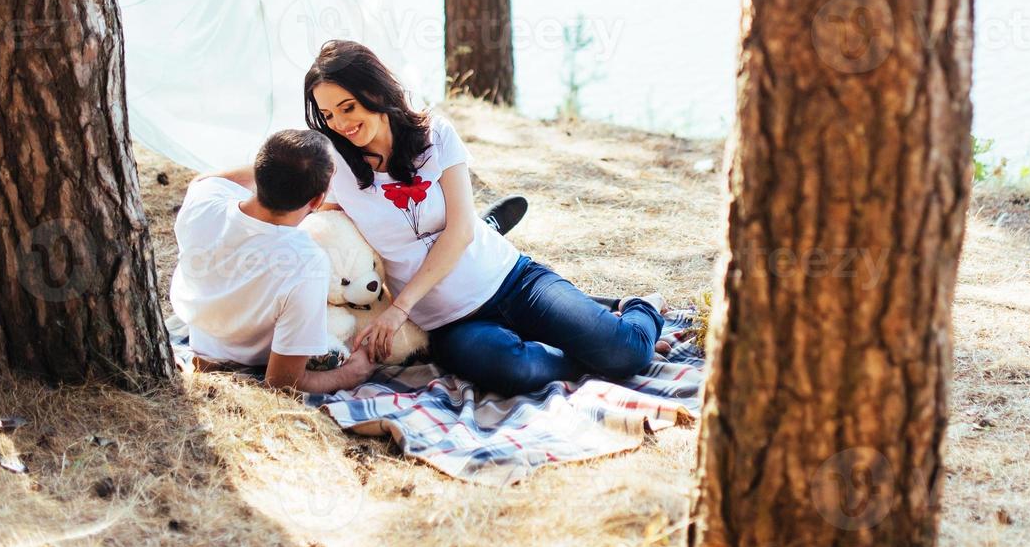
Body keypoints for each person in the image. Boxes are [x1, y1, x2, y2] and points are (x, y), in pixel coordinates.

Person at [304, 39, 665, 397]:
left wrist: (399, 308)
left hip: (514, 280)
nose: (340, 124)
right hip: (452, 325)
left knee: (627, 353)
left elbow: (459, 231)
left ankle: (643, 306)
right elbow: (273, 175)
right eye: (329, 116)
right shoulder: (338, 169)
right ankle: (588, 355)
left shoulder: (435, 136)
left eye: (347, 107)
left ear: (374, 90)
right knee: (513, 370)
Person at [169, 128, 376, 392]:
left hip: (202, 339)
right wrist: (354, 373)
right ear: (317, 200)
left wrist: (273, 165)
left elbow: (205, 180)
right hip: (250, 361)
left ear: (258, 170)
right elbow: (282, 383)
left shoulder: (204, 201)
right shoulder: (306, 262)